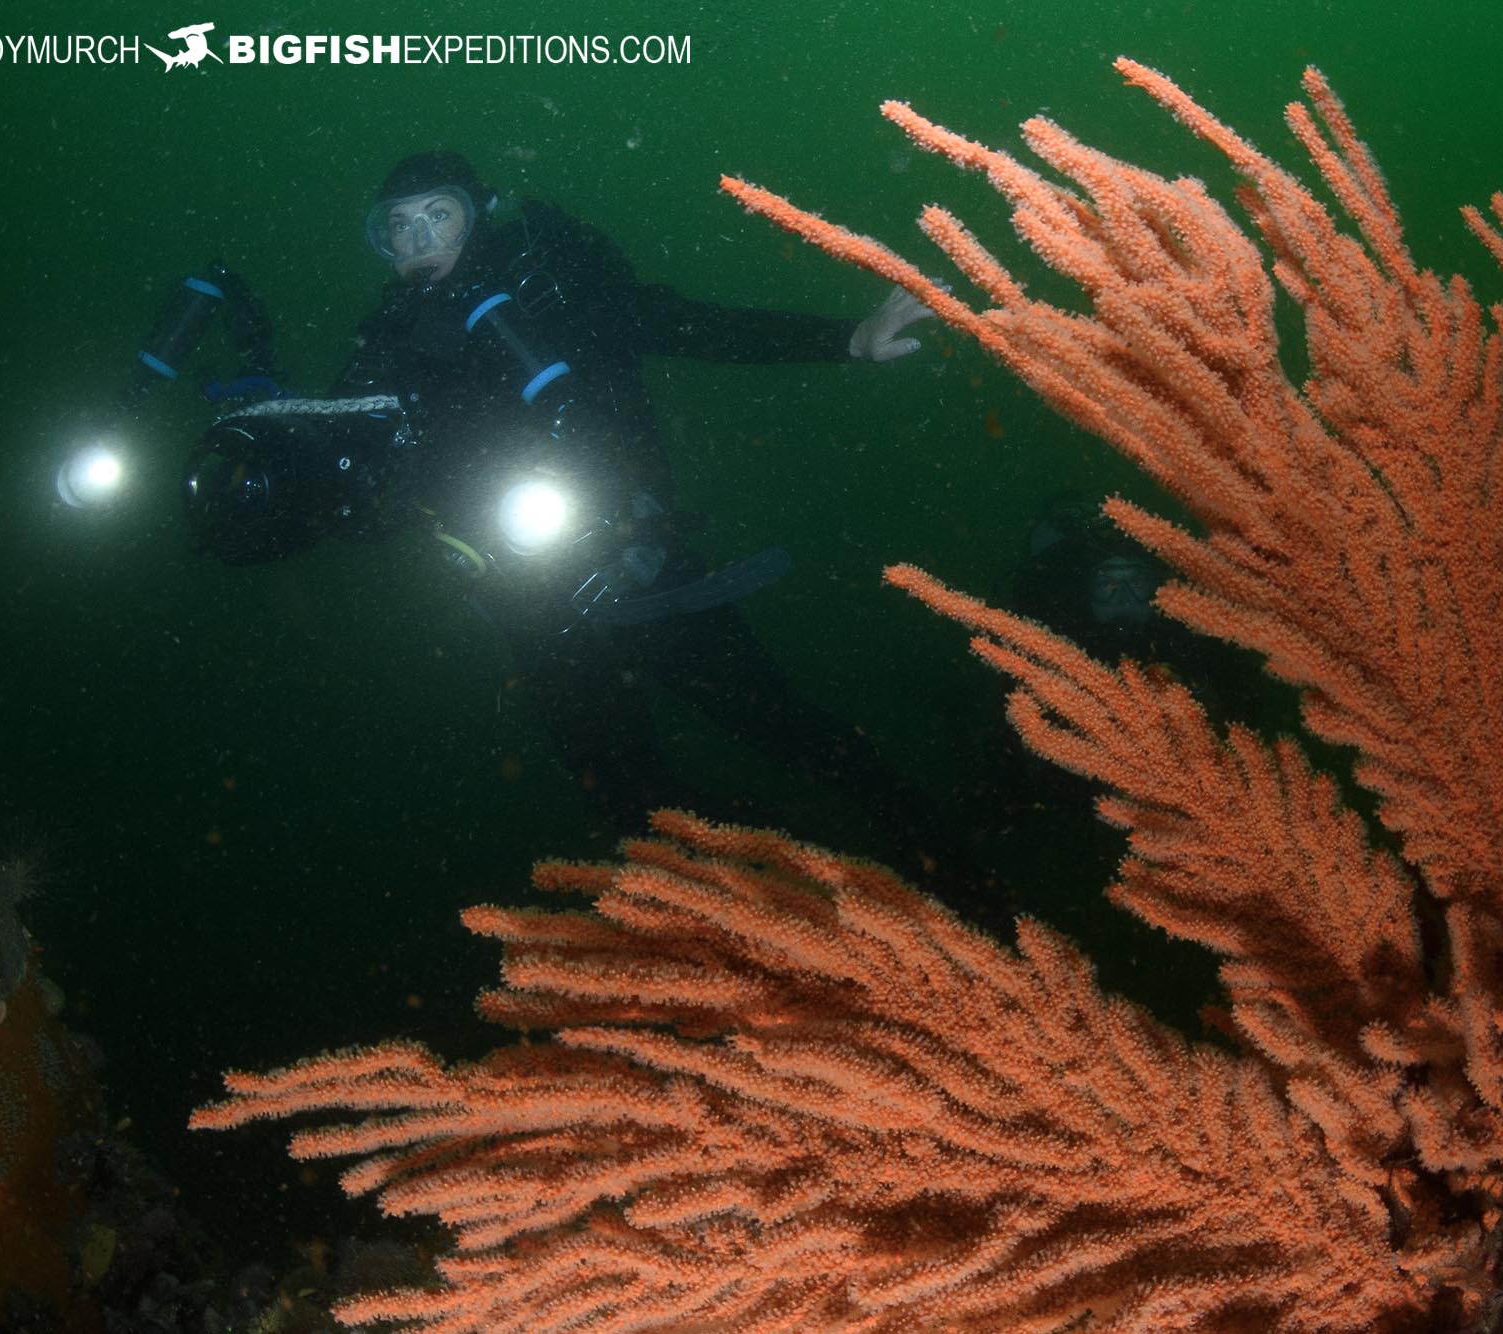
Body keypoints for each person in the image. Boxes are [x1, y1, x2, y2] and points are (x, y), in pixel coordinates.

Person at [316, 150, 1001, 919]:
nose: (418, 242)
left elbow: (692, 323)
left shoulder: (554, 292)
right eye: (397, 227)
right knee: (638, 816)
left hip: (640, 568)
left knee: (795, 735)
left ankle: (954, 877)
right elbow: (348, 467)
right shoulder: (390, 339)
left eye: (437, 215)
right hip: (529, 608)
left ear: (478, 216)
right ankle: (815, 919)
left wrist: (847, 338)